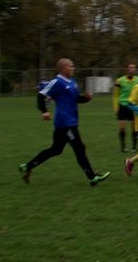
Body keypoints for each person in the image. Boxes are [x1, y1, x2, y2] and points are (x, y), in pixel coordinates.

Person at [18, 58, 112, 187]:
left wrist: (86, 98)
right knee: (79, 148)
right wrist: (44, 111)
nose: (73, 68)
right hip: (65, 123)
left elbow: (76, 99)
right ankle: (92, 177)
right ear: (63, 68)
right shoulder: (57, 82)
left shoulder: (72, 82)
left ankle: (27, 166)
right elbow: (41, 95)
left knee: (56, 150)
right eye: (71, 66)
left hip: (70, 122)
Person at [112, 62, 138, 152]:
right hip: (123, 106)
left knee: (134, 127)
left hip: (133, 106)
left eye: (133, 68)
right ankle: (123, 147)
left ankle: (134, 147)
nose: (132, 69)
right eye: (130, 67)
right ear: (126, 69)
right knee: (122, 127)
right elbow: (115, 95)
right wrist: (116, 108)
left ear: (135, 70)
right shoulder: (119, 80)